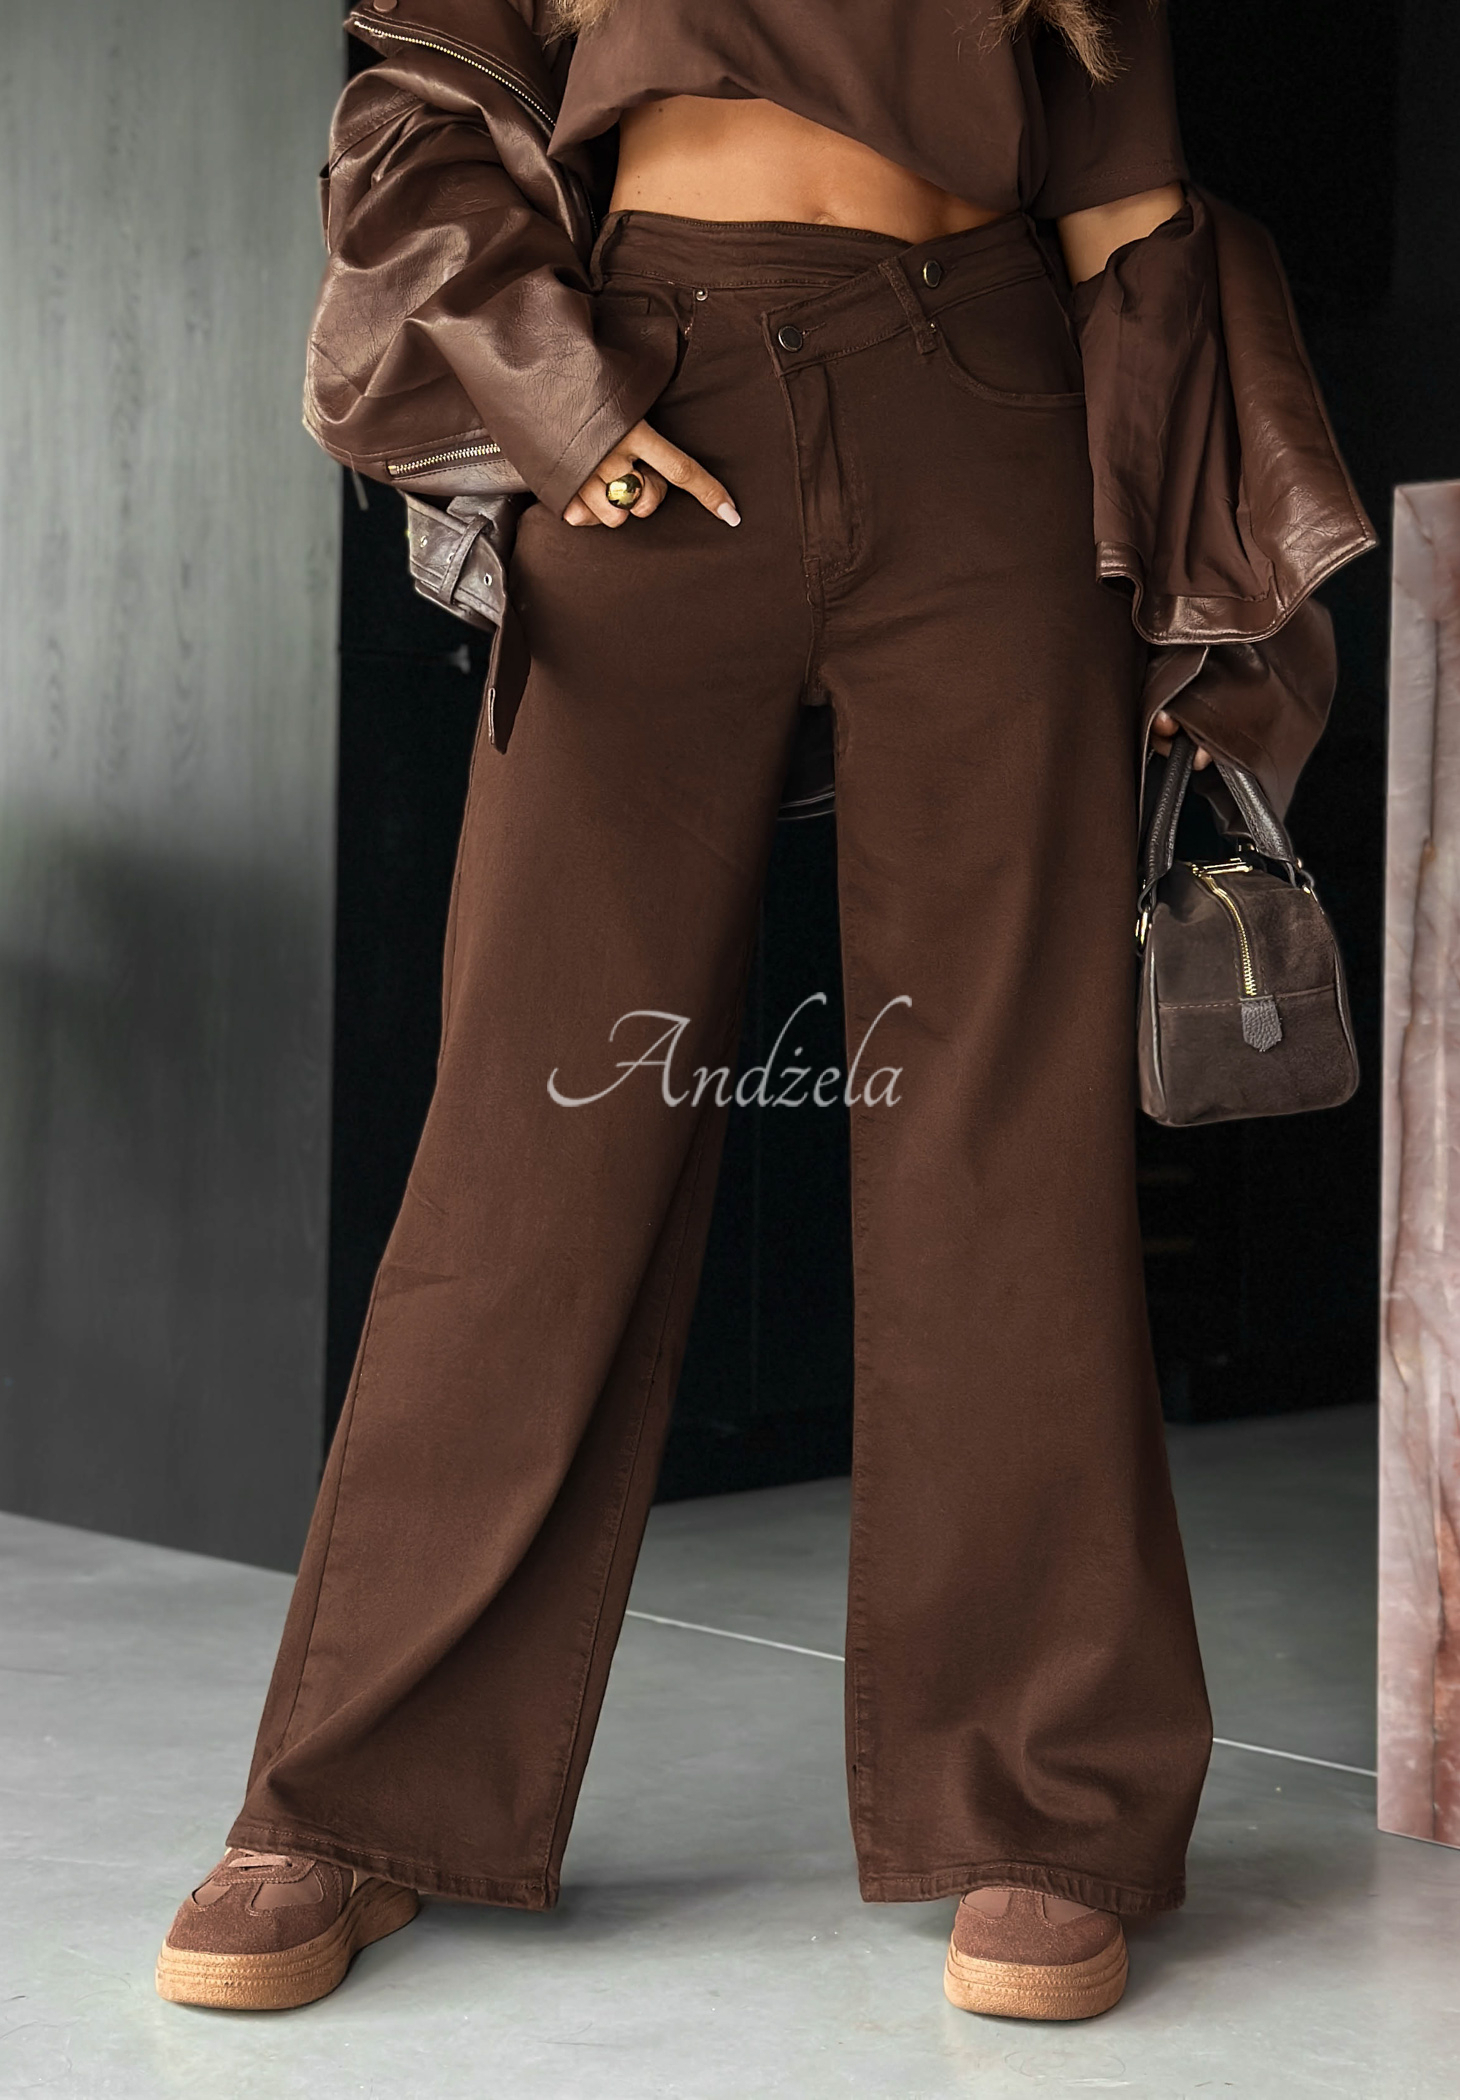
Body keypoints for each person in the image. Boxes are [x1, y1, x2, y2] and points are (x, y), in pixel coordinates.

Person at [154, 0, 1373, 2022]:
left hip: (991, 406)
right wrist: (555, 395)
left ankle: (1047, 1810)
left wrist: (1200, 609)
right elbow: (421, 119)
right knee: (534, 1130)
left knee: (1005, 1129)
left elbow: (1130, 221)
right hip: (649, 390)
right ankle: (357, 1802)